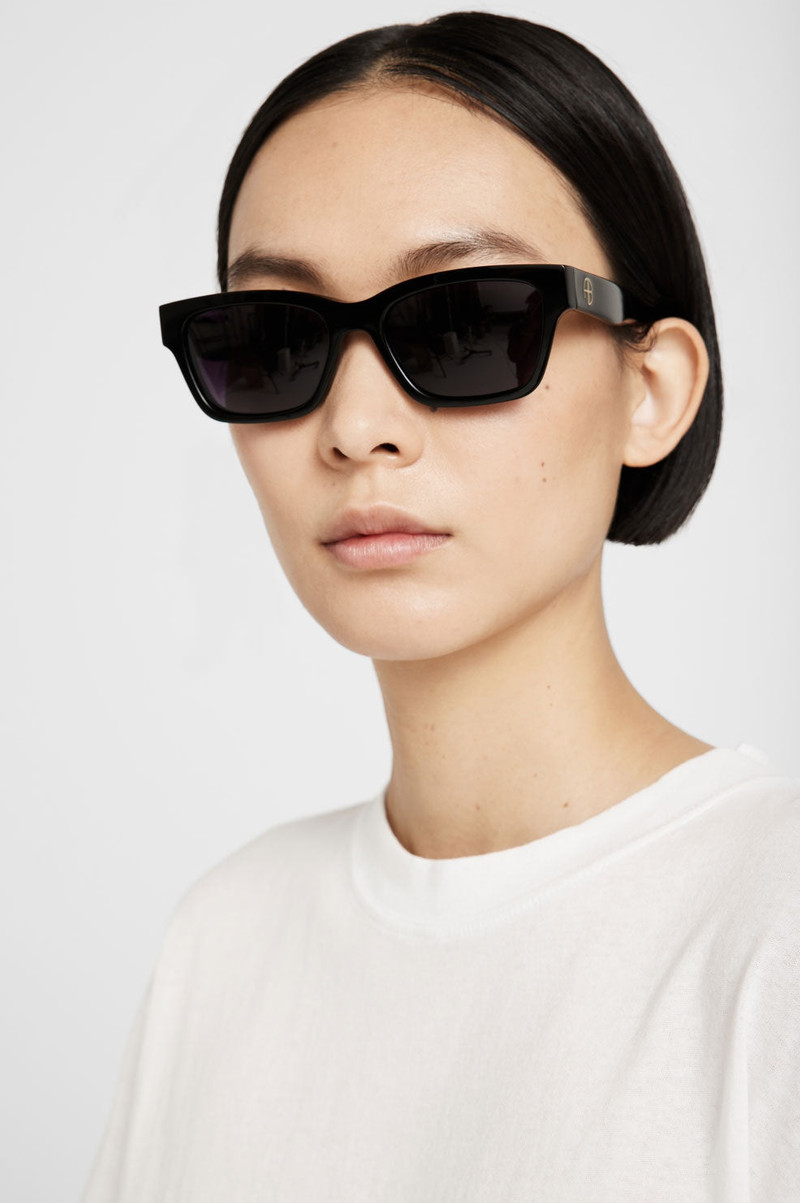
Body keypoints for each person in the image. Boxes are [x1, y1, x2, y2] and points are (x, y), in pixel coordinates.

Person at [82, 12, 799, 1200]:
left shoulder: (770, 921)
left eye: (466, 324)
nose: (355, 426)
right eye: (272, 339)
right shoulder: (228, 937)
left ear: (649, 388)